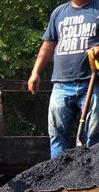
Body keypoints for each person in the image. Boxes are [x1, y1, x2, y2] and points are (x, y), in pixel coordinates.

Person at [28, 0, 99, 157]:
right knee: (57, 134)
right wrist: (35, 72)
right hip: (61, 84)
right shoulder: (59, 12)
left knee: (94, 134)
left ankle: (94, 176)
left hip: (92, 83)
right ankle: (57, 176)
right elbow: (48, 45)